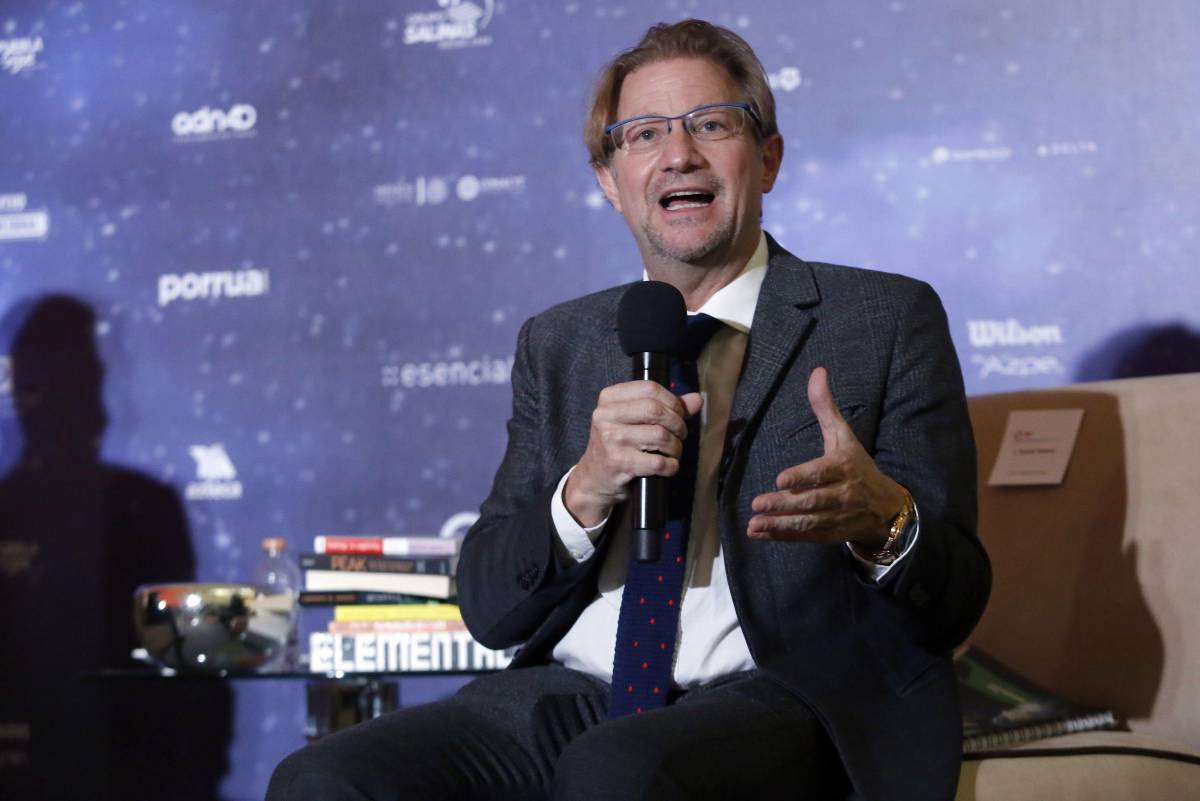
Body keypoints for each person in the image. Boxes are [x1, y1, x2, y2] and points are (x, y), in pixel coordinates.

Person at [268, 19, 989, 801]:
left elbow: (955, 599)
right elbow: (489, 606)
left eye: (711, 124)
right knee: (323, 777)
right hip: (577, 694)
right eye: (644, 134)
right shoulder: (560, 342)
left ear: (768, 159)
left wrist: (885, 522)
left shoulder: (881, 320)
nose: (678, 154)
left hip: (790, 695)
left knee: (619, 769)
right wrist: (583, 489)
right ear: (610, 181)